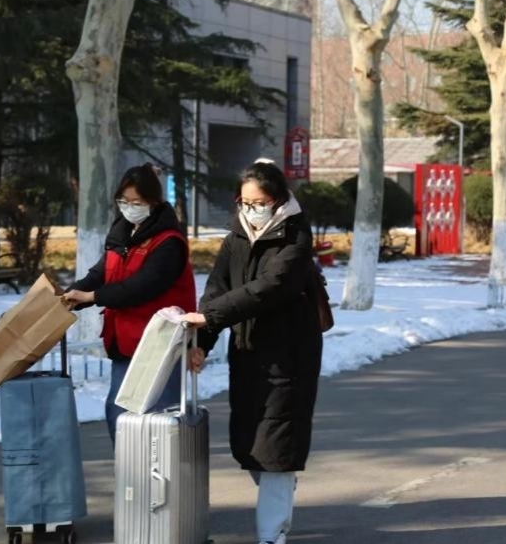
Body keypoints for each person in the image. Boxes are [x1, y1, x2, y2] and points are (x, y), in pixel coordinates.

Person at [180, 158, 323, 544]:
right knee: (251, 447)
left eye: (259, 203)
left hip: (289, 358)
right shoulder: (236, 238)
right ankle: (281, 489)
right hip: (246, 355)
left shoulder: (296, 238)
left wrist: (209, 317)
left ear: (278, 201)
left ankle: (271, 536)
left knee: (276, 449)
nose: (250, 210)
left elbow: (269, 288)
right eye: (244, 203)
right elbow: (217, 289)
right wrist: (202, 342)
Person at [62, 163, 196, 444]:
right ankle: (128, 469)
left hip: (160, 344)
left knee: (157, 421)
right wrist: (73, 294)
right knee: (118, 413)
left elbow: (142, 286)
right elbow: (102, 272)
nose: (129, 208)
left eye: (137, 202)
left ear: (154, 202)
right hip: (125, 340)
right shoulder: (122, 234)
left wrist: (93, 297)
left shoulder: (168, 242)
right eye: (123, 201)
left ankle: (156, 472)